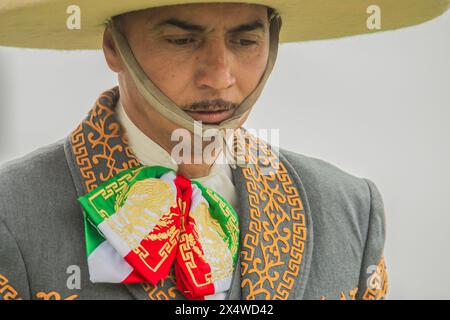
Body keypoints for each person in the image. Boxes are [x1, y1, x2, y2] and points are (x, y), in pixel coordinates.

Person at [0, 0, 448, 300]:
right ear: (114, 47)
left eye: (245, 40)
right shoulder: (10, 215)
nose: (219, 76)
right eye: (181, 40)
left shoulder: (351, 209)